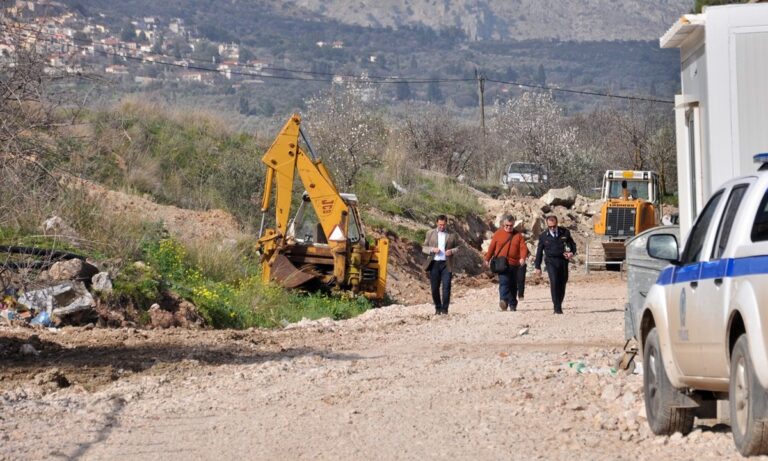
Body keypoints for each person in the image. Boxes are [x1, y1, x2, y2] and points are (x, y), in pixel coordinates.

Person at [483, 215, 528, 312]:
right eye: (507, 225)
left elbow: (523, 248)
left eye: (511, 226)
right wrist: (487, 259)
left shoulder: (518, 235)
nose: (508, 227)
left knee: (512, 285)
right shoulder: (498, 234)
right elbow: (491, 248)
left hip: (514, 264)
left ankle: (512, 304)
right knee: (504, 282)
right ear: (503, 224)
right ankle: (503, 300)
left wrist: (523, 258)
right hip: (502, 263)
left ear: (513, 225)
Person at [534, 215, 576, 314]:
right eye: (550, 227)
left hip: (563, 261)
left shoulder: (565, 232)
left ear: (557, 224)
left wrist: (571, 253)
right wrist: (537, 267)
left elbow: (572, 245)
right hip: (550, 262)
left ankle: (559, 303)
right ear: (547, 225)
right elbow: (539, 252)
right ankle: (556, 307)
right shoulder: (543, 236)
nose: (552, 228)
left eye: (554, 226)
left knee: (562, 283)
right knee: (554, 282)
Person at [422, 215, 461, 315]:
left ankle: (445, 309)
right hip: (434, 263)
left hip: (446, 264)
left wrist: (451, 251)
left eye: (443, 225)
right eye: (440, 225)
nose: (442, 227)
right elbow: (424, 247)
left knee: (446, 287)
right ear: (436, 223)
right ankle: (437, 307)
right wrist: (432, 249)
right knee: (434, 288)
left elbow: (458, 247)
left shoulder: (452, 234)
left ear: (446, 224)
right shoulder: (430, 233)